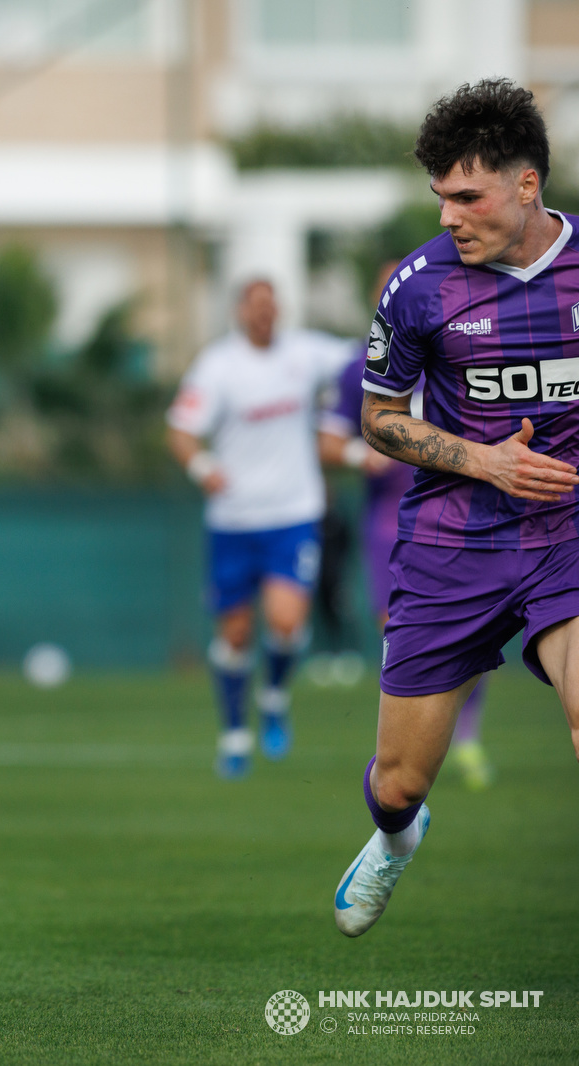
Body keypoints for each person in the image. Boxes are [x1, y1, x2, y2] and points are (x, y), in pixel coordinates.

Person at [332, 79, 579, 937]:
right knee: (398, 783)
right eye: (440, 198)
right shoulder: (417, 287)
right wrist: (486, 462)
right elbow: (379, 418)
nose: (448, 217)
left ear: (526, 185)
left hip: (568, 534)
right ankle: (396, 845)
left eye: (466, 196)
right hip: (453, 542)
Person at [319, 263, 493, 792]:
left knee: (477, 629)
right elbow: (326, 441)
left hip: (461, 510)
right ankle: (404, 752)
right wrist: (358, 453)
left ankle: (466, 737)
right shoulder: (357, 370)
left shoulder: (460, 349)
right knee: (397, 629)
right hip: (388, 517)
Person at [167, 280, 350, 778]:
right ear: (239, 312)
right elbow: (181, 431)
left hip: (293, 515)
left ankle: (272, 696)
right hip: (233, 520)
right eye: (256, 306)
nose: (265, 315)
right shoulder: (217, 366)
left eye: (272, 306)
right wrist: (202, 467)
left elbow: (363, 362)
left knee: (287, 621)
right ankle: (233, 733)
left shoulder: (306, 353)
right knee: (235, 635)